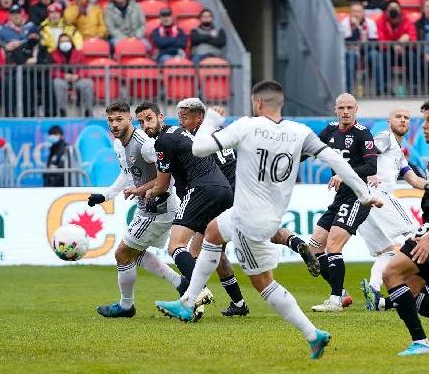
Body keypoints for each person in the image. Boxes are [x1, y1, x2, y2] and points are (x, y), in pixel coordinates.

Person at [154, 80, 382, 360]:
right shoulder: (300, 132)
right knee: (212, 233)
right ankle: (188, 301)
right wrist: (364, 193)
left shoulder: (247, 126)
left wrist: (211, 119)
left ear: (257, 102)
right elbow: (337, 161)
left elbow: (200, 148)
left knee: (264, 284)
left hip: (249, 220)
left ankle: (313, 334)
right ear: (281, 103)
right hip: (265, 214)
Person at [176, 98, 320, 316]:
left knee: (199, 250)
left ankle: (193, 301)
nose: (181, 123)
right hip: (241, 190)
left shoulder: (196, 138)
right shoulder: (224, 130)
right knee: (228, 244)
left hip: (217, 194)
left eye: (185, 118)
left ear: (199, 118)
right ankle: (294, 242)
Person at [137, 101, 239, 319]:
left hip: (203, 189)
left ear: (160, 117)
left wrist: (149, 194)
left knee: (175, 245)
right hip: (223, 189)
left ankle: (198, 293)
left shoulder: (163, 141)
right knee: (205, 251)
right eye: (141, 122)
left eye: (149, 119)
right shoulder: (180, 132)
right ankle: (206, 305)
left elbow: (162, 185)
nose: (145, 125)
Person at [87, 100, 189, 318]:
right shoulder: (118, 145)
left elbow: (167, 174)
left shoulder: (145, 144)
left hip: (159, 207)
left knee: (123, 253)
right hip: (146, 207)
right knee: (136, 252)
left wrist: (152, 194)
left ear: (129, 120)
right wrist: (105, 195)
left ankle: (126, 306)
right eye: (110, 120)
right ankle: (181, 283)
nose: (114, 124)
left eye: (119, 119)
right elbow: (127, 173)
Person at [382, 98, 429, 356]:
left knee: (391, 274)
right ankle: (420, 342)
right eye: (423, 120)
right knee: (411, 288)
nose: (423, 126)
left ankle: (420, 342)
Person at [309, 93, 378, 312]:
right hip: (340, 197)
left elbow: (371, 168)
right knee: (313, 249)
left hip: (357, 196)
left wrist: (344, 174)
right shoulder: (330, 130)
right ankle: (342, 293)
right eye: (341, 108)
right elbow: (311, 149)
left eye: (350, 107)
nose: (345, 111)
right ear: (335, 110)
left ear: (356, 109)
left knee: (333, 246)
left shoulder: (363, 134)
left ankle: (336, 299)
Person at [358, 107, 427, 310]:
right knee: (415, 234)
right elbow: (368, 153)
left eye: (406, 118)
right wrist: (369, 172)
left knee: (386, 252)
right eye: (398, 117)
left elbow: (414, 180)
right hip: (378, 195)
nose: (403, 120)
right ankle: (418, 285)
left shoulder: (399, 153)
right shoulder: (385, 137)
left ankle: (373, 291)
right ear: (389, 121)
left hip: (364, 201)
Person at [0, 4, 40, 117]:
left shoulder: (30, 26)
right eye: (13, 14)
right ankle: (9, 115)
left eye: (18, 13)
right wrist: (5, 45)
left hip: (29, 67)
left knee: (28, 84)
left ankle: (29, 115)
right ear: (9, 15)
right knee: (8, 84)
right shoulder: (3, 28)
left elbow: (37, 40)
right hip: (10, 68)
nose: (16, 16)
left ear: (22, 14)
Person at [376, 0, 417, 95]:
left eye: (396, 7)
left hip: (404, 51)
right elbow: (381, 40)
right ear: (387, 10)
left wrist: (405, 42)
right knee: (383, 57)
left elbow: (413, 38)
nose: (393, 9)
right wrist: (394, 45)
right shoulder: (381, 20)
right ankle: (385, 87)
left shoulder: (407, 20)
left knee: (413, 57)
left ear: (400, 9)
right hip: (388, 51)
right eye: (391, 7)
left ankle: (414, 86)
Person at [341, 1, 381, 95]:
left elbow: (374, 42)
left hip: (365, 52)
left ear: (363, 13)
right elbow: (348, 41)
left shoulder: (370, 23)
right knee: (351, 56)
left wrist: (363, 46)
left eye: (358, 11)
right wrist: (357, 28)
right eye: (354, 11)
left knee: (375, 54)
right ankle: (348, 91)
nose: (356, 14)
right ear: (350, 13)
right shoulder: (344, 23)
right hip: (349, 52)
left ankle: (380, 89)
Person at [51, 33, 94, 117]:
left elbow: (85, 69)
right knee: (57, 82)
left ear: (71, 42)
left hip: (77, 79)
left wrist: (78, 76)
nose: (65, 43)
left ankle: (88, 111)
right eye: (62, 41)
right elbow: (53, 71)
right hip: (63, 79)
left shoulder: (79, 53)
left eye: (67, 41)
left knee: (88, 83)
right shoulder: (54, 54)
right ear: (59, 43)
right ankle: (62, 111)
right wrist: (64, 76)